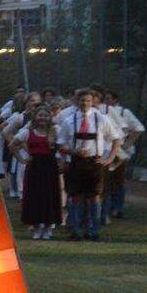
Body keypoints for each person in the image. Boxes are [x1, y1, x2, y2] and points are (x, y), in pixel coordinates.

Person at [58, 89, 123, 242]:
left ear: (93, 101)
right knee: (75, 196)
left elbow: (116, 139)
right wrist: (74, 151)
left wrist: (109, 158)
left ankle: (94, 231)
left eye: (88, 100)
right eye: (82, 100)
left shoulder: (102, 119)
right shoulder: (69, 120)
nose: (85, 103)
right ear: (77, 102)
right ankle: (75, 230)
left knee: (94, 197)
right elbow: (60, 144)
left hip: (95, 162)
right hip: (76, 161)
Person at [9, 105, 61, 240]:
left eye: (45, 115)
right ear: (35, 117)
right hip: (35, 167)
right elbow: (12, 144)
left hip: (50, 167)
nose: (43, 118)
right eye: (40, 115)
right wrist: (22, 159)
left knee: (50, 196)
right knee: (35, 197)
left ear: (50, 117)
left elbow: (63, 146)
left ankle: (49, 227)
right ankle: (37, 227)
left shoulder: (56, 130)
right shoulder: (27, 131)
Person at [101, 89, 144, 219]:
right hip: (106, 149)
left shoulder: (123, 112)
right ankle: (107, 209)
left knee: (117, 180)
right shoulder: (102, 111)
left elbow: (138, 128)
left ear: (115, 100)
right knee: (106, 180)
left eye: (109, 98)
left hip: (119, 151)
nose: (106, 101)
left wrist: (127, 144)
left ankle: (117, 207)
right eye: (105, 98)